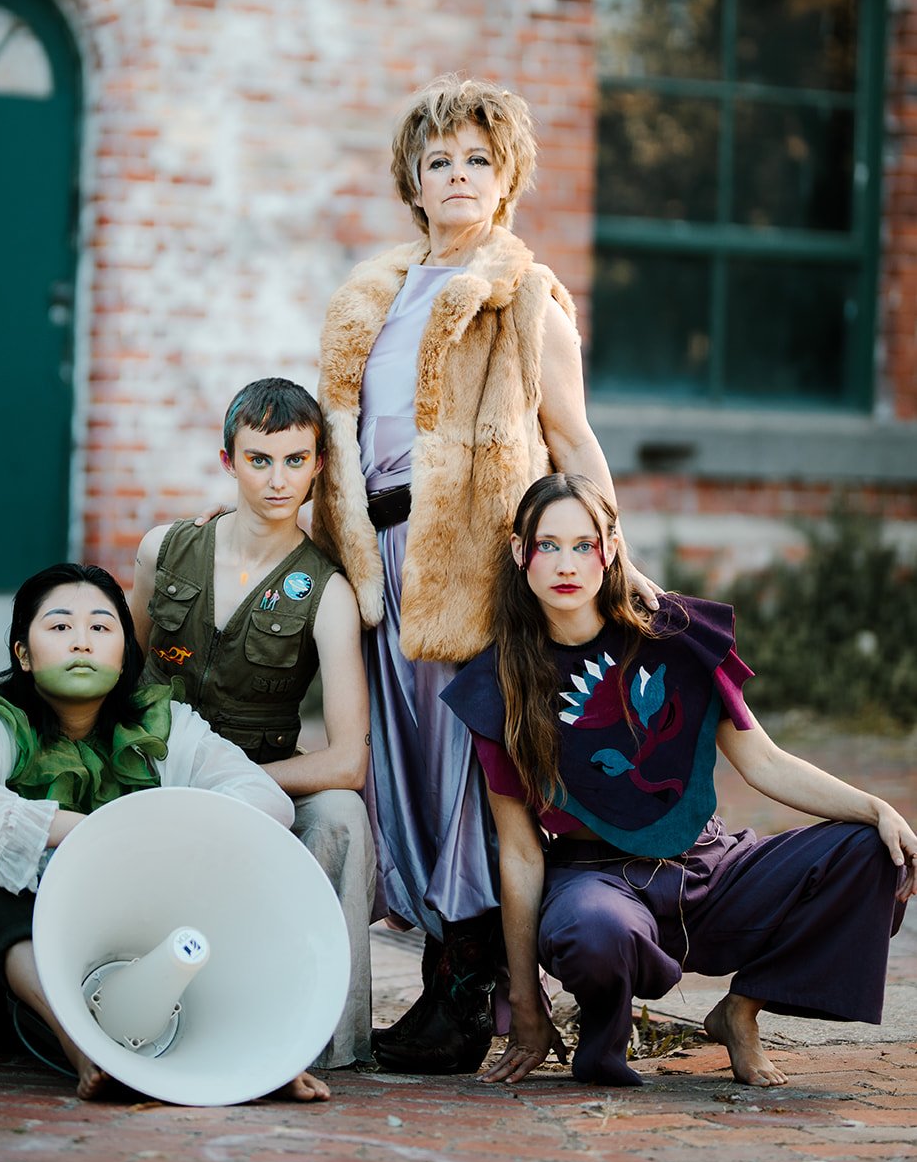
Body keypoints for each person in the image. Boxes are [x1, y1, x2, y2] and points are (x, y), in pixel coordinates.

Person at [313, 73, 659, 1074]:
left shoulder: (524, 297)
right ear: (411, 185)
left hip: (464, 557)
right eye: (438, 162)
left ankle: (467, 992)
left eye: (477, 159)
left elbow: (572, 441)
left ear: (504, 180)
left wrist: (613, 563)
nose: (457, 175)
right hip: (380, 559)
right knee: (401, 780)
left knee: (464, 776)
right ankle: (446, 970)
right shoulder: (375, 296)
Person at [442, 473, 916, 1089]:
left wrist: (876, 807)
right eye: (548, 545)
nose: (567, 564)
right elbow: (523, 854)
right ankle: (604, 1036)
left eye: (585, 544)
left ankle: (740, 1012)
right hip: (595, 882)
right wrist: (527, 1006)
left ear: (612, 549)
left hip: (708, 865)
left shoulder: (674, 638)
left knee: (872, 850)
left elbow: (763, 762)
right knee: (594, 930)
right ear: (518, 552)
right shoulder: (498, 685)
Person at [0, 562, 330, 1103]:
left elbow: (262, 802)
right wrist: (80, 831)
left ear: (125, 650)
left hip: (116, 988)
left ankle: (256, 1053)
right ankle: (77, 1041)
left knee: (235, 860)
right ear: (24, 655)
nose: (82, 641)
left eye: (101, 628)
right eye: (59, 627)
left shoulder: (167, 730)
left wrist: (154, 837)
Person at [130, 377, 375, 1071]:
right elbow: (122, 677)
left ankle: (324, 1041)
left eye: (295, 460)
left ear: (319, 464)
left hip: (257, 780)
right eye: (259, 460)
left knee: (342, 818)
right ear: (227, 461)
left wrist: (238, 784)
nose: (277, 480)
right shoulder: (163, 551)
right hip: (148, 764)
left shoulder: (326, 593)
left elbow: (346, 761)